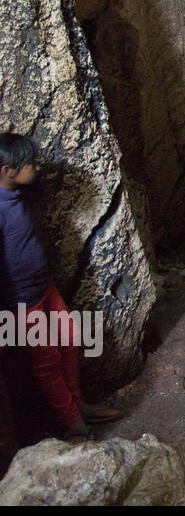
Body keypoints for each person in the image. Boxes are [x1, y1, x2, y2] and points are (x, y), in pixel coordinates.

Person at [0, 133, 123, 438]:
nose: (36, 167)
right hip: (21, 300)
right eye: (28, 163)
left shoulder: (17, 195)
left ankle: (79, 404)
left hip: (43, 287)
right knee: (46, 361)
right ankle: (70, 422)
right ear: (7, 170)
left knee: (69, 338)